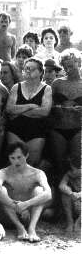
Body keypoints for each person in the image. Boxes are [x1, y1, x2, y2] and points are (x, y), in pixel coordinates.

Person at [0, 142, 52, 242]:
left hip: (29, 215)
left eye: (19, 157)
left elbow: (48, 194)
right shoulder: (3, 172)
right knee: (1, 189)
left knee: (39, 191)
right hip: (9, 215)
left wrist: (26, 204)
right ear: (9, 158)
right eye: (12, 158)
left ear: (27, 155)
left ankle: (32, 229)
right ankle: (19, 227)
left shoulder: (37, 173)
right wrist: (15, 206)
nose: (16, 161)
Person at [6, 57, 52, 167]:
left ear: (40, 72)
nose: (28, 71)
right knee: (15, 163)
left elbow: (44, 112)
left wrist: (18, 111)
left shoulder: (46, 89)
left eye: (32, 68)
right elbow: (9, 109)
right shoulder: (16, 87)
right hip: (15, 131)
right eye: (26, 68)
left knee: (32, 164)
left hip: (36, 131)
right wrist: (30, 106)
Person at [48, 49, 82, 188]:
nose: (68, 69)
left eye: (71, 65)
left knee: (76, 162)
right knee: (59, 163)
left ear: (79, 63)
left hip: (78, 127)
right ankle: (59, 199)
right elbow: (48, 105)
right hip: (58, 128)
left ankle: (76, 195)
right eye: (65, 66)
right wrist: (58, 108)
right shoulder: (57, 83)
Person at [59, 156, 81, 232]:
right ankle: (70, 222)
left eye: (74, 169)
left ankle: (78, 223)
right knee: (65, 194)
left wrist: (79, 194)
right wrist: (70, 193)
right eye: (71, 169)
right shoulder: (69, 174)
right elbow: (61, 186)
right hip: (76, 203)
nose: (73, 171)